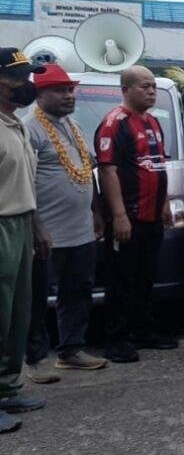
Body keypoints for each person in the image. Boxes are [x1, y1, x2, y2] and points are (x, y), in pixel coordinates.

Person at [23, 64, 108, 383]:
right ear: (39, 94)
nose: (68, 95)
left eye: (70, 89)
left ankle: (71, 351)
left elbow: (88, 170)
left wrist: (96, 211)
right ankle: (33, 361)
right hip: (46, 234)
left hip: (81, 230)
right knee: (34, 298)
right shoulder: (30, 128)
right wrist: (37, 228)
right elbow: (23, 182)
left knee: (78, 290)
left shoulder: (72, 125)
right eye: (59, 90)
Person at [95, 65, 176, 364]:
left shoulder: (153, 122)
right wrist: (118, 215)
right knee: (121, 280)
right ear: (126, 90)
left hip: (152, 216)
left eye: (153, 86)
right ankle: (116, 340)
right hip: (128, 216)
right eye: (144, 86)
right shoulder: (114, 123)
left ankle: (143, 331)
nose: (151, 91)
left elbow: (157, 165)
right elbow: (107, 170)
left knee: (145, 277)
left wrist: (164, 204)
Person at [0, 48, 47, 433]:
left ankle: (7, 388)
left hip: (20, 225)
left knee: (17, 315)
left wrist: (35, 229)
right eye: (17, 78)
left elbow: (24, 185)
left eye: (27, 76)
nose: (25, 85)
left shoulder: (15, 125)